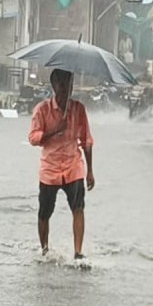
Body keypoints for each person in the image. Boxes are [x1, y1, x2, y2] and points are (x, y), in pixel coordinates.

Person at [28, 69, 95, 259]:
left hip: (73, 167)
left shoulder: (79, 110)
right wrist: (54, 130)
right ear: (54, 86)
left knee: (78, 208)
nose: (66, 90)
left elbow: (87, 141)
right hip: (50, 169)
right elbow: (33, 138)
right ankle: (45, 249)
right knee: (44, 213)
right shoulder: (42, 110)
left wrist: (90, 171)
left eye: (69, 85)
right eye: (62, 85)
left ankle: (78, 251)